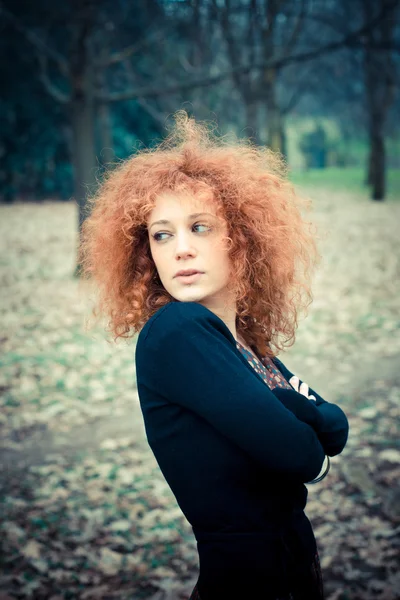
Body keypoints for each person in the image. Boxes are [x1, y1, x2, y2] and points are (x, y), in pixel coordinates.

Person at [80, 111, 349, 600]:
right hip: (246, 585)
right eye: (162, 234)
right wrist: (303, 420)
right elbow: (305, 452)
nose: (180, 249)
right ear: (146, 254)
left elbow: (335, 425)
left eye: (200, 227)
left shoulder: (241, 340)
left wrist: (301, 417)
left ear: (241, 239)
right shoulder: (177, 333)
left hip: (292, 569)